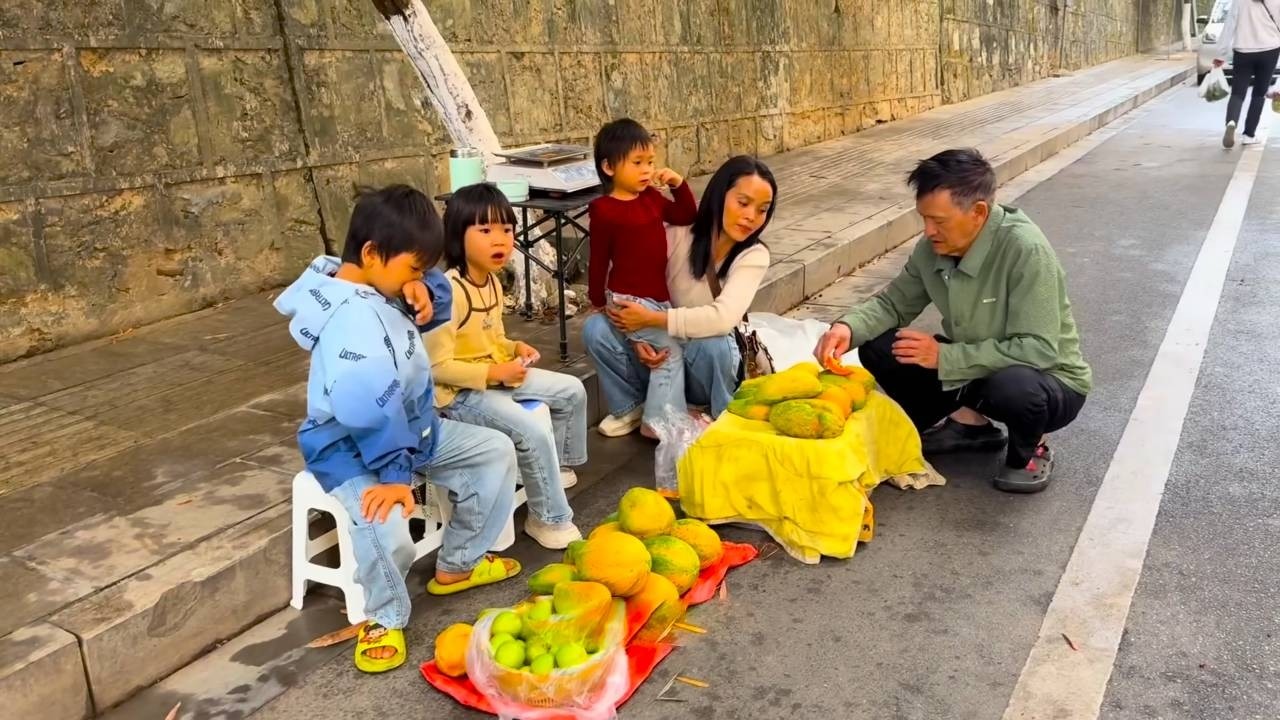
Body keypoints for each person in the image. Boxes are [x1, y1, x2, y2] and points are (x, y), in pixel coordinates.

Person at [275, 185, 521, 674]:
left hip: (414, 432)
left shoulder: (377, 282)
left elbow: (436, 304)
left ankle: (458, 563)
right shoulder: (351, 322)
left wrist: (422, 283)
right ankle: (383, 616)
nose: (419, 277)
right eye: (414, 267)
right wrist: (392, 477)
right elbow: (368, 408)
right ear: (371, 253)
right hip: (351, 450)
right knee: (387, 531)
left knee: (494, 450)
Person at [814, 149, 1091, 493]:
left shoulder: (1025, 250)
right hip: (976, 367)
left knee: (1013, 386)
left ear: (978, 213)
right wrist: (846, 328)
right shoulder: (932, 248)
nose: (928, 231)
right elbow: (892, 304)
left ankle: (1030, 448)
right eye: (924, 219)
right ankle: (970, 425)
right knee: (881, 346)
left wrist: (944, 357)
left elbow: (1039, 350)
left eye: (939, 221)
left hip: (1048, 380)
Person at [424, 183, 585, 550]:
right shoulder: (449, 292)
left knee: (571, 391)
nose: (499, 240)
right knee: (531, 429)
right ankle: (548, 519)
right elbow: (436, 367)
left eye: (507, 230)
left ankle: (552, 471)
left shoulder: (493, 283)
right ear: (456, 236)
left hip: (495, 373)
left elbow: (493, 338)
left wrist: (514, 346)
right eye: (485, 231)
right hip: (460, 394)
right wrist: (494, 373)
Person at [584, 155, 777, 435]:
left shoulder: (753, 255)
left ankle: (709, 409)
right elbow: (633, 287)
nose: (751, 217)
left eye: (762, 210)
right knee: (596, 328)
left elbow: (722, 318)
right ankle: (633, 406)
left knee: (717, 344)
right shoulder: (678, 233)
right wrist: (637, 335)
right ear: (720, 196)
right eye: (743, 203)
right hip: (659, 351)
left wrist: (651, 320)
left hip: (701, 364)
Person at [587, 117, 699, 436]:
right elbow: (597, 260)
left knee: (668, 347)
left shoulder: (651, 198)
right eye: (637, 163)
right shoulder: (604, 210)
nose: (647, 170)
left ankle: (650, 411)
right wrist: (597, 300)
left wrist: (678, 183)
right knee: (669, 352)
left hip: (658, 300)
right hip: (627, 299)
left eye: (650, 162)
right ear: (609, 167)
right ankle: (657, 420)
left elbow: (685, 214)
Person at [1214, 0, 1280, 148]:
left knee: (1238, 92)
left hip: (1243, 51)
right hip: (1270, 50)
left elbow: (1229, 26)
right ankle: (1249, 135)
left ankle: (1231, 122)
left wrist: (1221, 54)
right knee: (1259, 93)